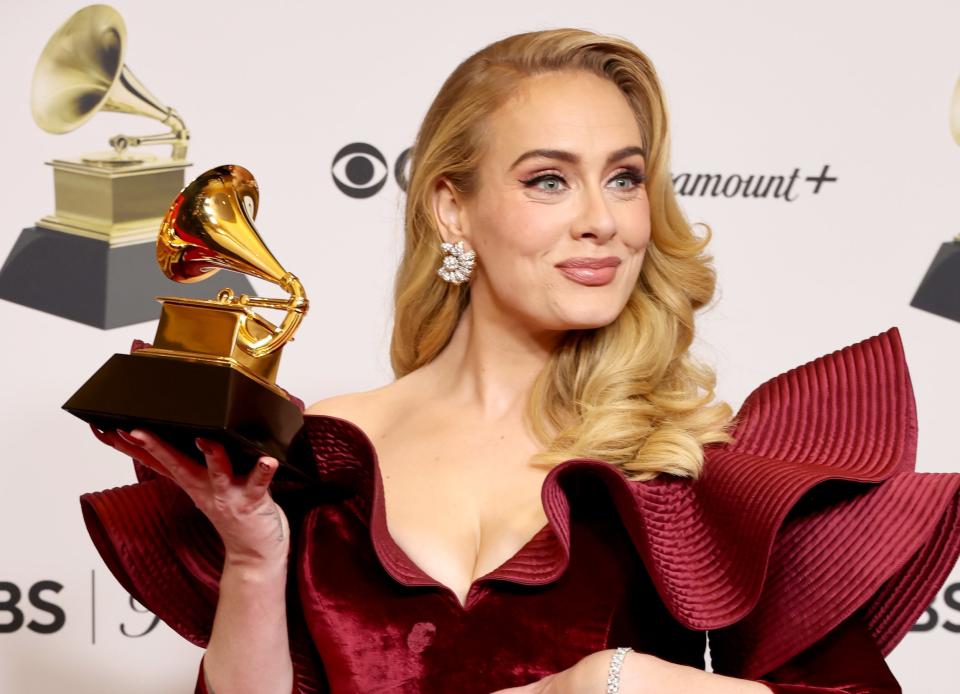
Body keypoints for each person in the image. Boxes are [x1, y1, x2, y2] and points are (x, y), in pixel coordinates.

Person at [82, 28, 958, 693]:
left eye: (624, 178)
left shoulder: (687, 462)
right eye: (549, 179)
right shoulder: (326, 455)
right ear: (452, 209)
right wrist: (252, 561)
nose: (602, 219)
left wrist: (620, 678)